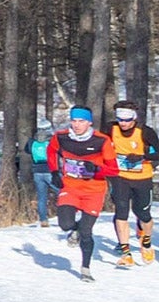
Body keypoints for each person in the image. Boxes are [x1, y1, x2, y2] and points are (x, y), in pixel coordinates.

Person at [49, 107, 118, 282]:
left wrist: (97, 169)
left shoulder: (101, 140)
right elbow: (51, 151)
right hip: (70, 187)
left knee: (86, 231)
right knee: (65, 224)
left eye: (81, 121)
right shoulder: (61, 137)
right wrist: (54, 171)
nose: (77, 125)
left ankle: (85, 268)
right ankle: (73, 231)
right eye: (74, 121)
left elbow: (114, 170)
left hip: (94, 190)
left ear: (89, 123)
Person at [106, 100, 158, 266]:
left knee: (143, 214)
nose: (123, 123)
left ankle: (147, 242)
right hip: (120, 177)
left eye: (127, 120)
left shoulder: (145, 132)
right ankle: (126, 252)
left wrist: (143, 157)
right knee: (121, 212)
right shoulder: (110, 129)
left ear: (134, 118)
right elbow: (99, 146)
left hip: (142, 178)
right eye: (120, 119)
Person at [26, 123, 56, 227]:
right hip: (50, 171)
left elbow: (27, 150)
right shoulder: (52, 140)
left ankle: (43, 220)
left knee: (41, 197)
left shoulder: (32, 141)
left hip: (37, 172)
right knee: (62, 193)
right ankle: (66, 216)